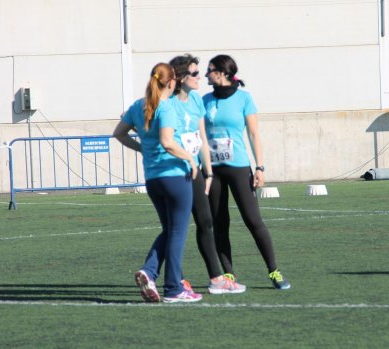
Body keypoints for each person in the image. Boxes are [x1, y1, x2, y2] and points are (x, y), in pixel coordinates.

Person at [113, 62, 202, 303]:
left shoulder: (137, 106)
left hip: (153, 180)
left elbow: (118, 134)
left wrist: (141, 148)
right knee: (177, 233)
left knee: (170, 230)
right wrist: (191, 161)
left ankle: (150, 271)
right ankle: (173, 288)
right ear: (172, 82)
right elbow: (168, 142)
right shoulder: (166, 108)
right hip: (175, 177)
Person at [202, 54, 291, 290]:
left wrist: (260, 167)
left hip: (239, 167)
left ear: (222, 72)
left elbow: (253, 134)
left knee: (253, 220)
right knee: (219, 223)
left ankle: (274, 271)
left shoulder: (244, 98)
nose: (205, 75)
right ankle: (228, 274)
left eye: (209, 70)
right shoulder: (204, 101)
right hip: (212, 170)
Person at [169, 54, 246, 294]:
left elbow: (201, 137)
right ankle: (172, 278)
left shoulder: (196, 101)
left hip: (196, 172)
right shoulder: (168, 103)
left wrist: (208, 173)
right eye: (194, 73)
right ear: (180, 78)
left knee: (206, 222)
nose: (200, 76)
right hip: (173, 172)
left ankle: (217, 279)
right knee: (175, 228)